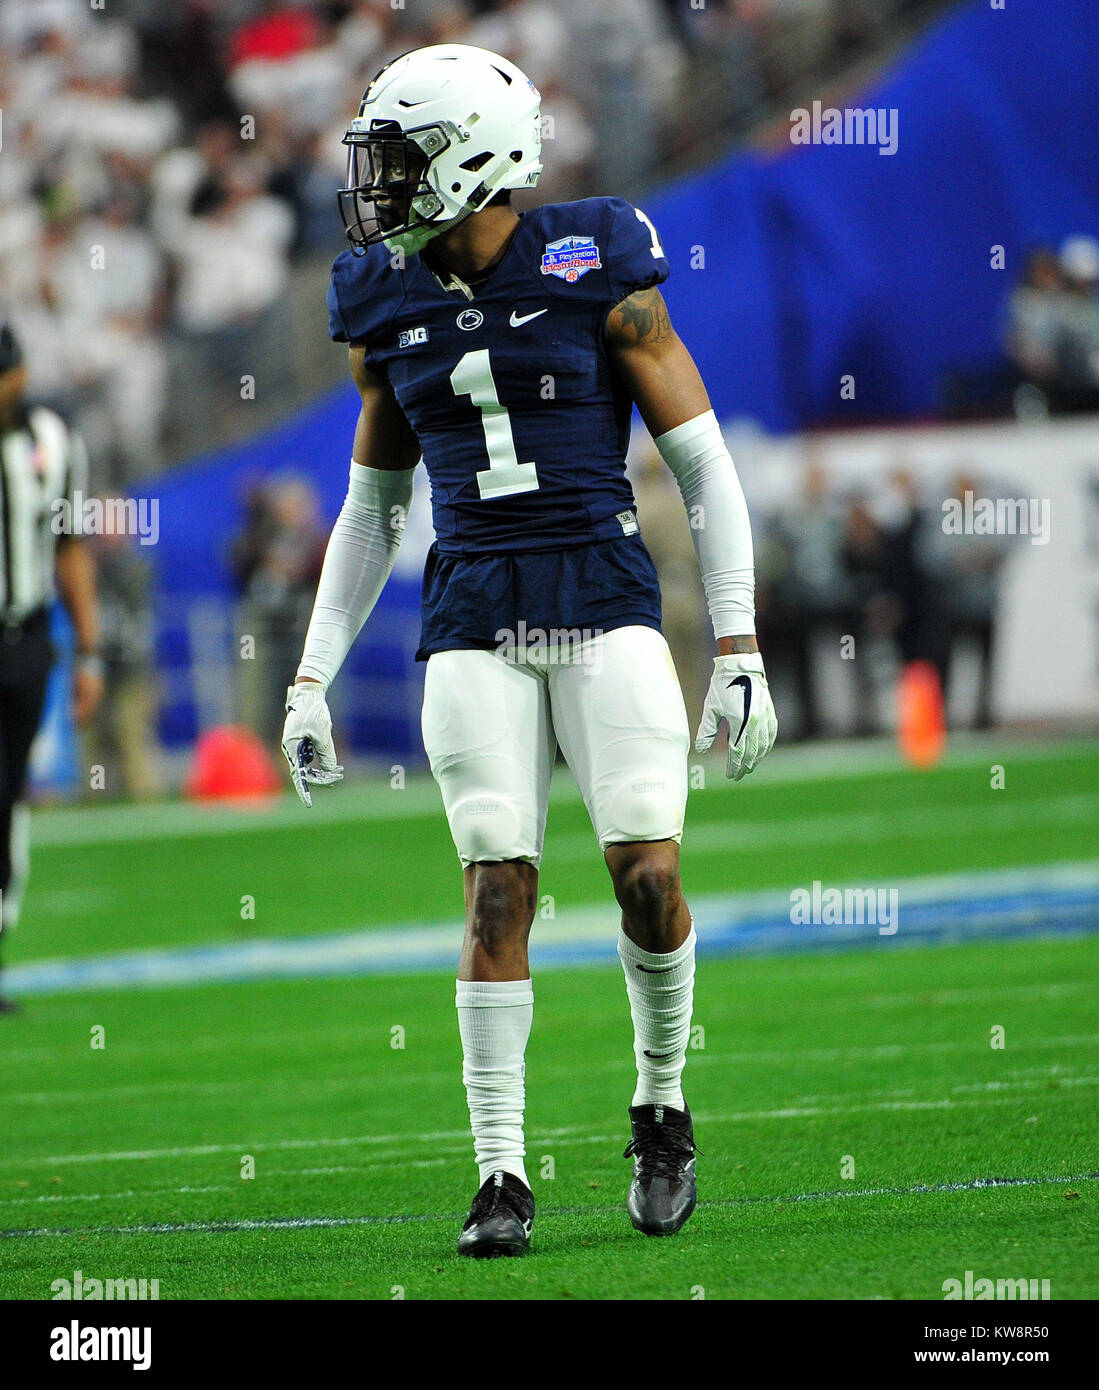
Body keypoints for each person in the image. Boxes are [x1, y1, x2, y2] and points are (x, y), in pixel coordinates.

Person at [281, 45, 777, 1257]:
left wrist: (739, 638)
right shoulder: (380, 298)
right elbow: (374, 506)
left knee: (647, 877)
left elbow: (702, 463)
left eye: (398, 159)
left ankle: (661, 1103)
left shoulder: (595, 257)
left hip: (601, 591)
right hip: (472, 610)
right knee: (495, 885)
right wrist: (310, 670)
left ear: (471, 158)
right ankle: (500, 1172)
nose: (379, 186)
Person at [0, 323, 103, 1012]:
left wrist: (88, 649)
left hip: (26, 636)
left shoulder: (51, 441)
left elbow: (70, 546)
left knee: (9, 795)